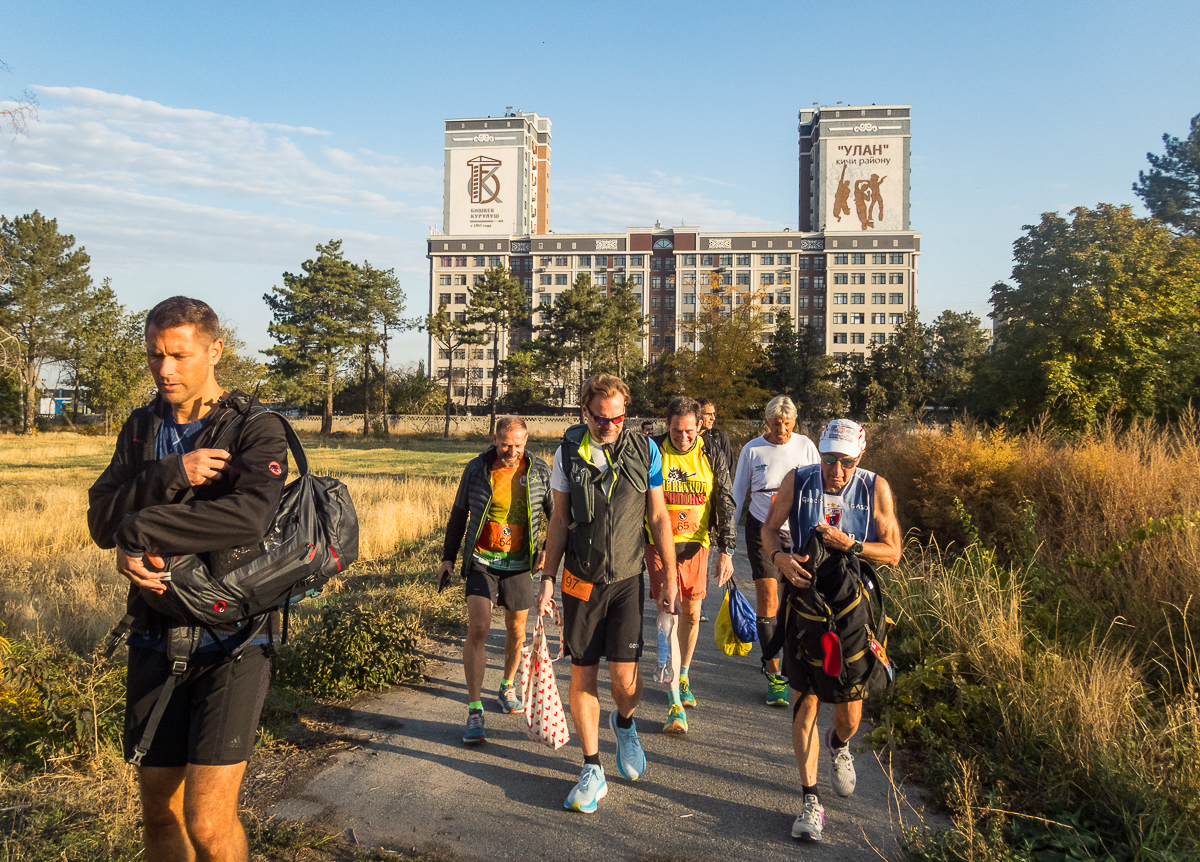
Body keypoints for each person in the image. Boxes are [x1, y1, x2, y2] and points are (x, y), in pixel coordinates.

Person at [88, 297, 288, 862]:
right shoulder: (141, 426)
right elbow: (99, 521)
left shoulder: (255, 427)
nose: (165, 369)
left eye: (179, 355)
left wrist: (140, 527)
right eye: (155, 355)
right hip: (154, 632)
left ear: (215, 350)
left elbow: (249, 517)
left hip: (236, 640)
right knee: (157, 812)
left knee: (206, 821)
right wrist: (169, 473)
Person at [536, 373, 678, 813]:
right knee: (582, 673)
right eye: (601, 418)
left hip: (625, 581)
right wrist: (546, 577)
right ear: (585, 412)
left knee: (625, 682)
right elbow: (559, 521)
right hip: (580, 581)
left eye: (618, 418)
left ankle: (625, 723)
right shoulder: (567, 452)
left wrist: (668, 574)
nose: (610, 425)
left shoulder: (645, 449)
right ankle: (592, 767)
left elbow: (658, 517)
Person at [760, 418, 902, 843]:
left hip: (853, 611)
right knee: (805, 699)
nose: (836, 470)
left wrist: (852, 545)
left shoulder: (875, 488)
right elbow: (768, 529)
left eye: (846, 462)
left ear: (860, 456)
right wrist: (780, 559)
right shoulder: (798, 481)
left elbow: (893, 552)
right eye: (828, 460)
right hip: (804, 605)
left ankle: (839, 744)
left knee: (849, 712)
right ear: (818, 453)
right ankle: (809, 801)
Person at [439, 416, 553, 744]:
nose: (511, 451)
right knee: (479, 628)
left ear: (525, 442)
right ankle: (475, 708)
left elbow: (557, 516)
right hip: (482, 561)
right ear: (494, 439)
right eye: (505, 445)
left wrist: (547, 552)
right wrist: (448, 557)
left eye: (518, 445)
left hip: (519, 565)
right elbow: (459, 513)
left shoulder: (539, 472)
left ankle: (506, 686)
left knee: (517, 630)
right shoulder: (476, 469)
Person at [646, 396, 736, 733]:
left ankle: (683, 674)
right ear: (666, 425)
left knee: (693, 613)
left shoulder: (710, 452)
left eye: (688, 431)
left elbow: (725, 499)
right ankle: (673, 704)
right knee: (669, 610)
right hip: (659, 542)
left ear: (699, 426)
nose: (682, 437)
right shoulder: (653, 450)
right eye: (675, 430)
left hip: (697, 542)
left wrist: (727, 550)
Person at [730, 395, 820, 706]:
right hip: (761, 529)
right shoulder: (752, 449)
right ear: (766, 422)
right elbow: (738, 493)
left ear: (795, 423)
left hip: (796, 531)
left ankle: (788, 658)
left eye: (787, 423)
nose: (782, 429)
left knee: (790, 598)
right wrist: (728, 539)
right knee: (768, 597)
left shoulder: (806, 446)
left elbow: (819, 491)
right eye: (776, 423)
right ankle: (774, 673)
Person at [696, 397, 734, 622]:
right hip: (692, 503)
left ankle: (698, 600)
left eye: (714, 414)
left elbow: (727, 470)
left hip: (713, 503)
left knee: (706, 556)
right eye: (708, 414)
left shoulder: (721, 438)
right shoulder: (687, 435)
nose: (712, 418)